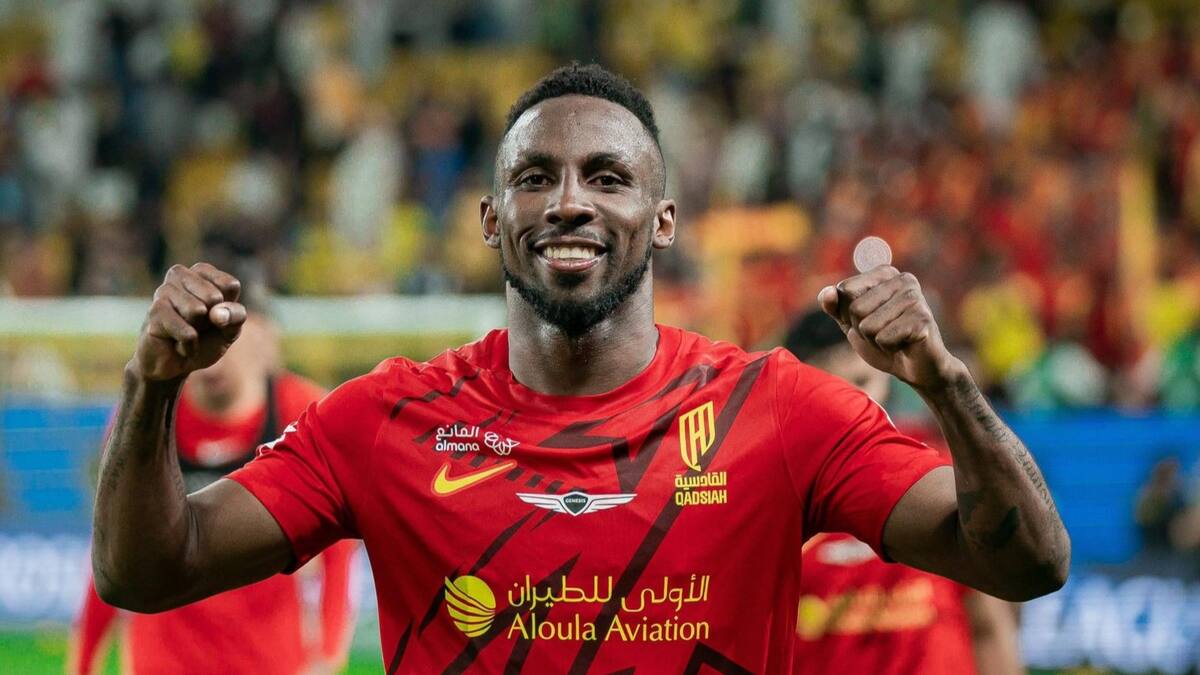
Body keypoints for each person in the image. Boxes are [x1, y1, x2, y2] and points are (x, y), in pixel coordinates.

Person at [90, 64, 1069, 673]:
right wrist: (152, 382)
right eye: (534, 177)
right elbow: (146, 570)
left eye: (607, 176)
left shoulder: (778, 410)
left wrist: (944, 381)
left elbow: (1028, 562)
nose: (568, 201)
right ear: (490, 220)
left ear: (664, 219)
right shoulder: (381, 419)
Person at [70, 287, 356, 675]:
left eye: (226, 342)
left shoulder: (302, 411)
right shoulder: (144, 419)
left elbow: (339, 547)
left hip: (268, 663)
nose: (211, 361)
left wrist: (329, 653)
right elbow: (114, 547)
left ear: (262, 340)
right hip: (164, 664)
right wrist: (83, 663)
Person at [784, 308, 1023, 675]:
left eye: (862, 381)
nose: (855, 401)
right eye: (833, 388)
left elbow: (989, 625)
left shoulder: (941, 476)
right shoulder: (778, 501)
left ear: (886, 377)